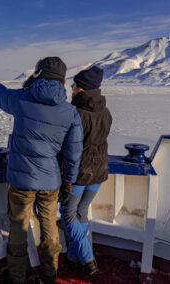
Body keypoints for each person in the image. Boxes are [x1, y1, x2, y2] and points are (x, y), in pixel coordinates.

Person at [0, 57, 83, 284]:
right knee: (49, 227)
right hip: (51, 183)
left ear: (38, 74)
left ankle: (17, 277)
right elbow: (73, 154)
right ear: (63, 79)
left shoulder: (22, 99)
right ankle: (50, 275)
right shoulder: (70, 113)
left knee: (18, 229)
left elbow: (2, 96)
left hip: (21, 182)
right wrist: (68, 181)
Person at [59, 66, 112, 276]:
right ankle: (73, 259)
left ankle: (88, 259)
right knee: (81, 213)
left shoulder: (76, 114)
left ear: (81, 90)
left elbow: (70, 148)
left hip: (79, 174)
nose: (71, 86)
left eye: (74, 84)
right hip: (99, 172)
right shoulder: (106, 111)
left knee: (68, 214)